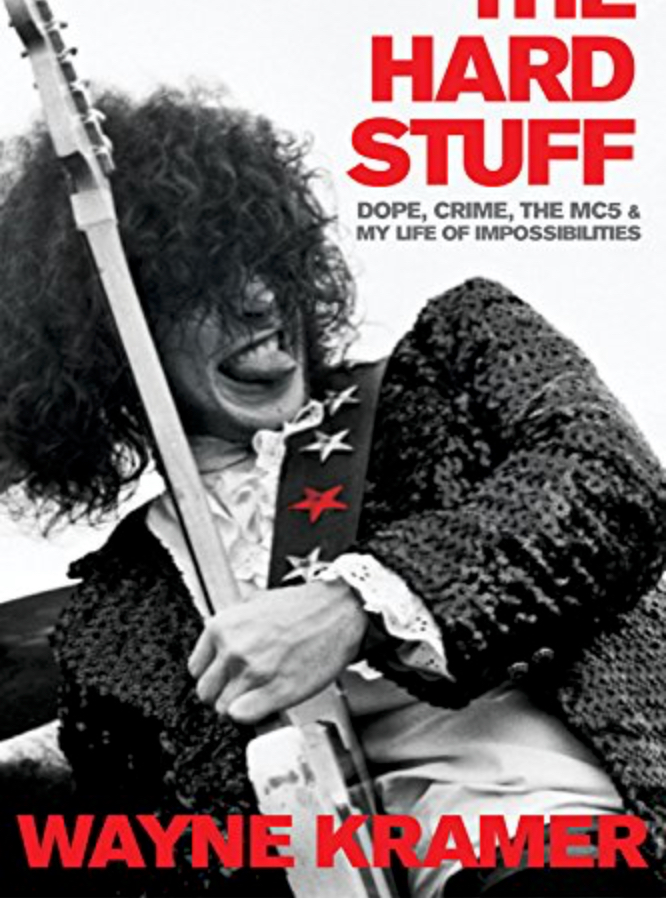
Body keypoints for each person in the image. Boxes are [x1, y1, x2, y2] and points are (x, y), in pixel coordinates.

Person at [0, 85, 665, 898]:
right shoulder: (112, 622)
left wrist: (352, 607)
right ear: (104, 337)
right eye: (200, 287)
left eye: (270, 263)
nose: (261, 301)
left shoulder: (455, 359)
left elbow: (606, 479)